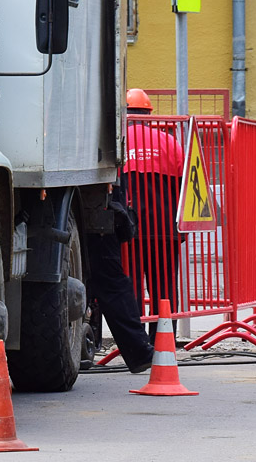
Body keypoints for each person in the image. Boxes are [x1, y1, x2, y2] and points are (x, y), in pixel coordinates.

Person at [123, 88, 185, 340]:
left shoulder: (119, 140)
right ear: (149, 112)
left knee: (132, 285)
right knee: (164, 287)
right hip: (165, 228)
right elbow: (183, 184)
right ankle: (163, 338)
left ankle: (136, 341)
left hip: (129, 230)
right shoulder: (169, 141)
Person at [84, 191, 156, 373]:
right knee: (109, 280)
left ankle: (139, 350)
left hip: (100, 202)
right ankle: (139, 351)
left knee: (106, 278)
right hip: (98, 200)